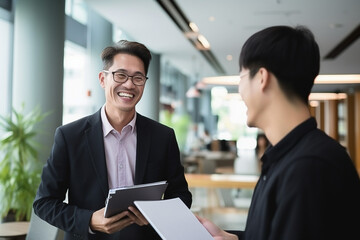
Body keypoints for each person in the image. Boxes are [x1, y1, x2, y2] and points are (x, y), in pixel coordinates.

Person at [197, 25, 360, 240]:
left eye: (242, 77)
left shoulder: (309, 167)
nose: (240, 90)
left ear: (262, 78)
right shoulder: (287, 157)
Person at [33, 40, 192, 239]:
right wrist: (89, 220)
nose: (129, 84)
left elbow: (181, 196)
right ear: (102, 79)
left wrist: (156, 215)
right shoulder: (70, 137)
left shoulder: (163, 137)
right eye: (121, 75)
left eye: (138, 77)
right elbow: (44, 203)